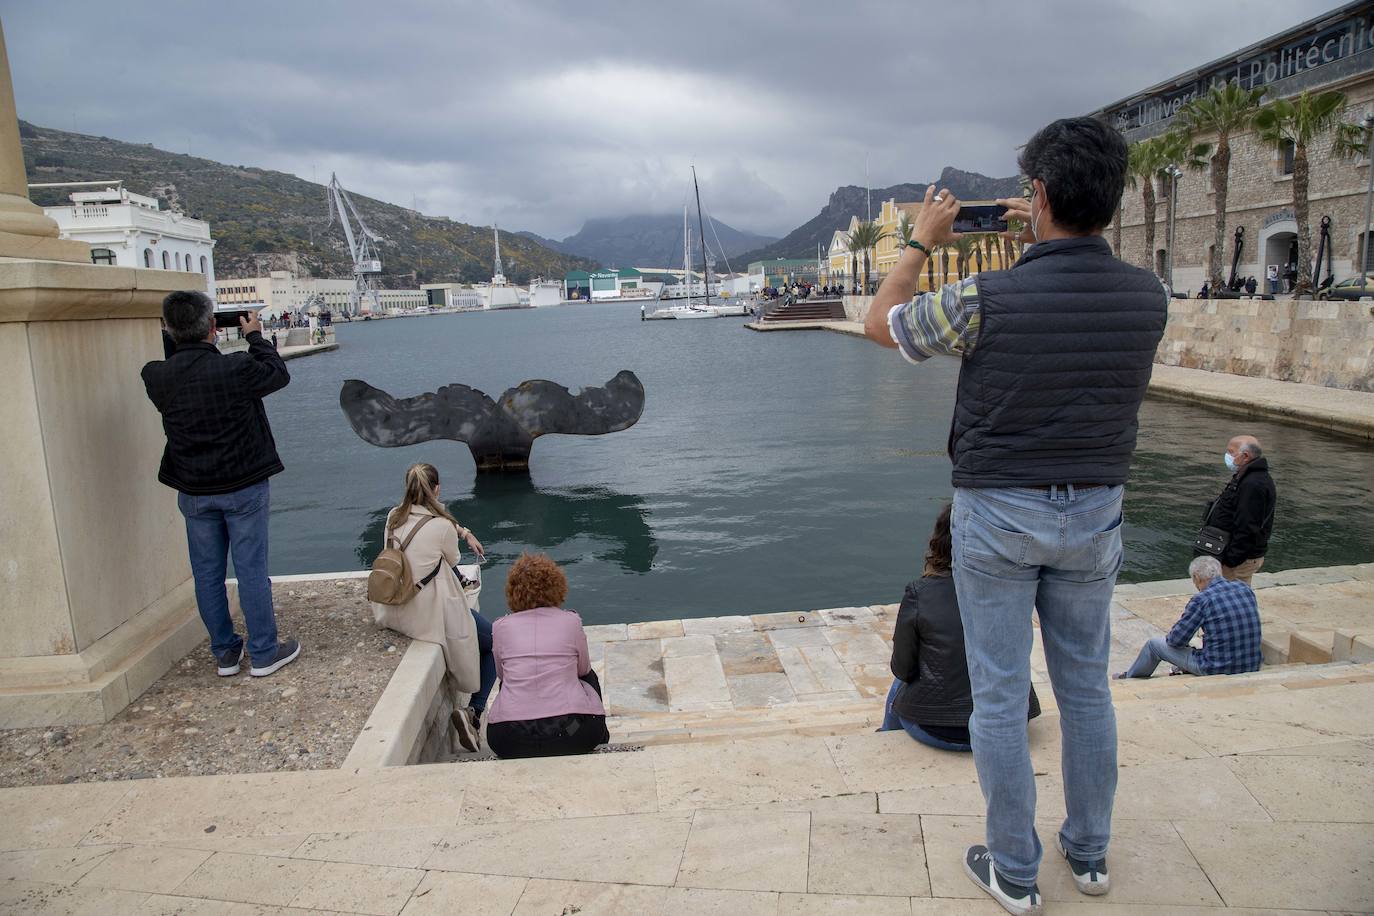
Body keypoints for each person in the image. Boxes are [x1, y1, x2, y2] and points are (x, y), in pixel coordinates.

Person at [862, 117, 1168, 913]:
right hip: (1095, 509)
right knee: (1088, 691)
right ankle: (1091, 855)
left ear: (1036, 193)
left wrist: (923, 242)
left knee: (999, 698)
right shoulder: (1149, 295)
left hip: (998, 513)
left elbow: (881, 324)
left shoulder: (987, 297)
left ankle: (1015, 870)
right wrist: (1042, 230)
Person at [142, 291, 301, 678]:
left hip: (195, 490)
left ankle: (226, 654)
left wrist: (177, 332)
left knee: (207, 573)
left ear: (167, 328)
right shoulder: (237, 369)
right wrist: (255, 335)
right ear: (214, 328)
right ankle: (264, 652)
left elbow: (175, 355)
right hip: (244, 486)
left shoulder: (155, 376)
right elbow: (278, 373)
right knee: (250, 570)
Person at [882, 505, 1040, 752]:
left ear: (939, 540)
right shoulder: (1015, 588)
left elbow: (902, 668)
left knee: (899, 682)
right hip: (1010, 724)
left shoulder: (920, 593)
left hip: (938, 729)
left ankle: (886, 738)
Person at [370, 463, 493, 752]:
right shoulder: (442, 527)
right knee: (496, 642)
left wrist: (463, 530)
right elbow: (450, 558)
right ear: (437, 489)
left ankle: (472, 713)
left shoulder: (392, 518)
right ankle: (473, 713)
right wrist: (462, 533)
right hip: (426, 615)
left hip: (392, 608)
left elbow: (430, 534)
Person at [486, 553, 609, 759]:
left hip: (509, 738)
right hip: (572, 733)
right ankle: (602, 735)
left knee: (508, 681)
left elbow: (502, 676)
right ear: (557, 587)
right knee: (589, 676)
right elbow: (583, 670)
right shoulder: (571, 621)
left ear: (512, 592)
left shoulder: (500, 627)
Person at [1117, 555, 1260, 679]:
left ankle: (1131, 677)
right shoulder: (1244, 588)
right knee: (1198, 643)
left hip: (1216, 668)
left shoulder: (1202, 599)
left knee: (1153, 645)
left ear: (1197, 578)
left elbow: (1175, 640)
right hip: (1252, 663)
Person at [1199, 435, 1276, 587]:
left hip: (1237, 562)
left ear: (1245, 456)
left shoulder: (1253, 484)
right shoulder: (1247, 477)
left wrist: (1230, 560)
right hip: (1229, 554)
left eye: (1231, 452)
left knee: (1229, 600)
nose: (1227, 456)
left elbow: (1248, 526)